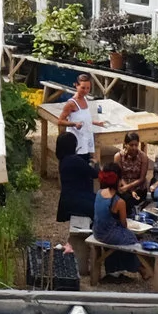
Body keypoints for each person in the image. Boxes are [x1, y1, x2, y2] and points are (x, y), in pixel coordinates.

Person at [55, 76, 99, 224]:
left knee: (87, 176)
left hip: (86, 141)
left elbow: (85, 118)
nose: (85, 91)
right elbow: (60, 120)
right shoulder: (71, 103)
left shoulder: (86, 100)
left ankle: (87, 206)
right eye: (83, 88)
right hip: (76, 143)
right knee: (80, 173)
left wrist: (95, 122)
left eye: (88, 88)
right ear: (76, 86)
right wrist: (74, 124)